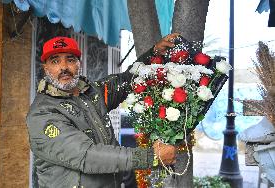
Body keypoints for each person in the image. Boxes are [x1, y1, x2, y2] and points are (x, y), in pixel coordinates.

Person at [26, 33, 180, 188]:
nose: (64, 67)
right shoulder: (43, 113)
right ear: (46, 68)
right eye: (55, 61)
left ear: (79, 64)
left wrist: (154, 53)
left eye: (70, 60)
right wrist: (151, 156)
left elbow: (127, 80)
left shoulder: (92, 93)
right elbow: (87, 156)